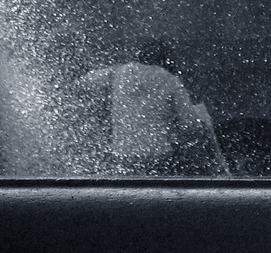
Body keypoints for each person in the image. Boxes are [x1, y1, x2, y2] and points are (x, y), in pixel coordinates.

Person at [73, 39, 221, 175]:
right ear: (168, 61)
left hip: (123, 156)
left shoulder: (120, 72)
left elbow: (83, 83)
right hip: (159, 157)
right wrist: (202, 121)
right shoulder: (171, 82)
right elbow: (190, 125)